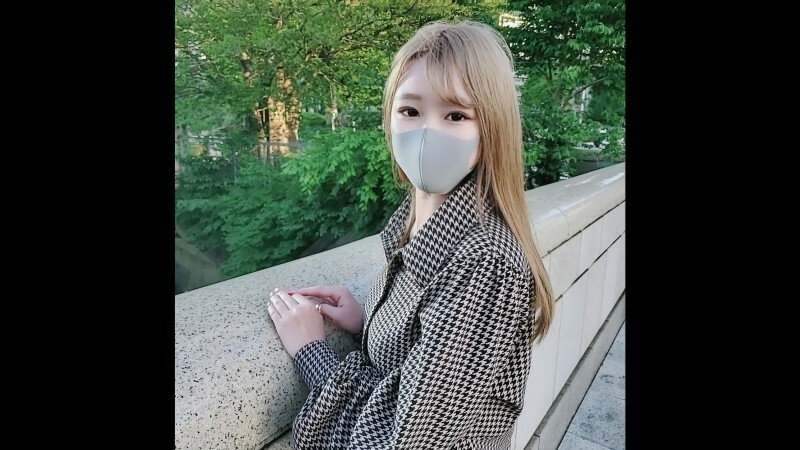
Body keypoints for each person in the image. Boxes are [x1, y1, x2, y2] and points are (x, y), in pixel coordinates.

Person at [267, 19, 554, 450]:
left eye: (455, 115)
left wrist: (311, 352)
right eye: (410, 111)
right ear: (389, 117)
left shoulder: (486, 264)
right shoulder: (416, 229)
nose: (426, 133)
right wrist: (369, 321)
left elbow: (396, 440)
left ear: (491, 130)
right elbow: (424, 359)